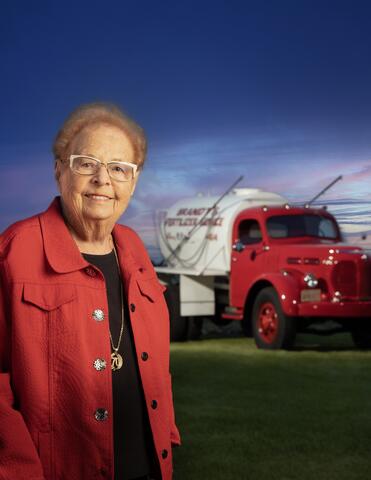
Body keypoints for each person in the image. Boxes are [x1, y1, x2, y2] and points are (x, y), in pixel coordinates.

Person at [0, 102, 181, 480]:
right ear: (59, 170)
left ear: (133, 181)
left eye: (119, 168)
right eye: (86, 163)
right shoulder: (15, 251)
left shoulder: (134, 249)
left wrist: (167, 432)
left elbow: (156, 364)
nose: (103, 179)